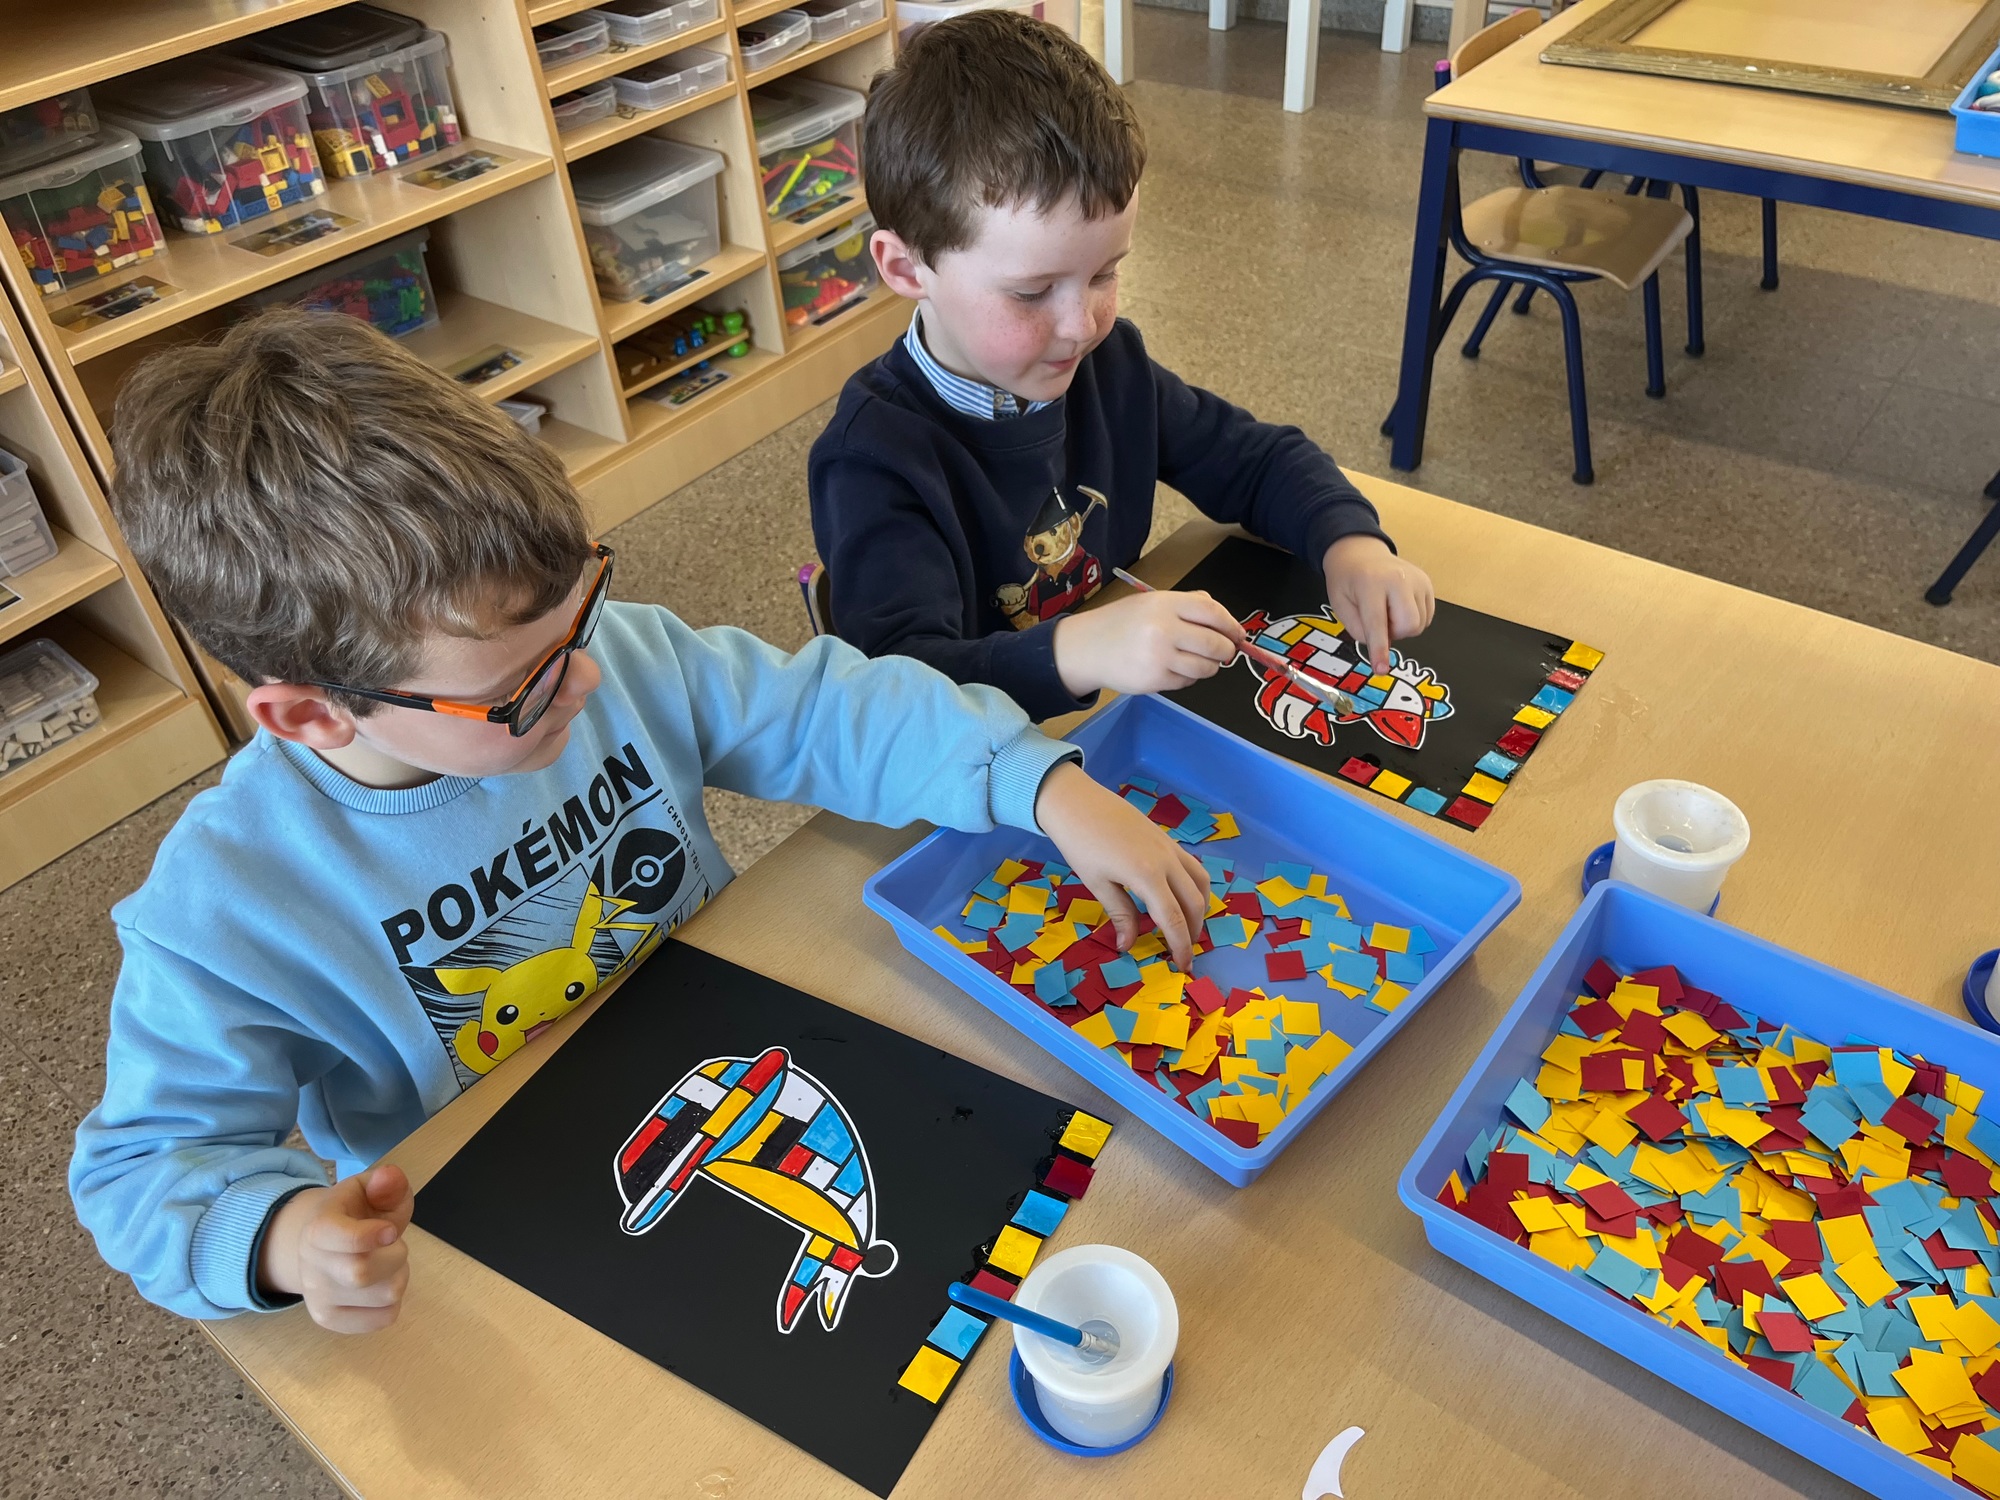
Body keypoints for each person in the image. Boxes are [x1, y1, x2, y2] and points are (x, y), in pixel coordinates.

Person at [69, 311, 1213, 1332]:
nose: (581, 679)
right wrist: (280, 1240)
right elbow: (145, 1169)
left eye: (581, 613)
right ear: (313, 714)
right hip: (514, 1231)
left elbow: (825, 712)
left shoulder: (604, 658)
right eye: (517, 687)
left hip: (729, 1078)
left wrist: (1035, 782)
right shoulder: (226, 907)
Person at [809, 11, 1435, 723]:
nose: (1082, 326)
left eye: (1105, 273)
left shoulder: (1108, 367)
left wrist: (1349, 541)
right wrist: (1076, 650)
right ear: (905, 268)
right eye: (1031, 293)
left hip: (1106, 722)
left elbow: (1257, 460)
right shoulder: (873, 457)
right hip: (987, 759)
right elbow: (898, 695)